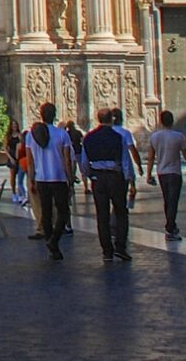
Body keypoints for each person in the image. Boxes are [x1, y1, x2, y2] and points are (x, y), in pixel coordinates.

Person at [24, 103, 76, 261]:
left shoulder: (31, 135)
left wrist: (31, 180)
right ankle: (54, 240)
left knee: (46, 213)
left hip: (41, 178)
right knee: (63, 212)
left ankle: (51, 246)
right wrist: (70, 179)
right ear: (54, 115)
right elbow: (67, 160)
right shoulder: (62, 134)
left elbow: (30, 161)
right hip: (58, 178)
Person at [81, 112, 131, 262]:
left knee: (102, 215)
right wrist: (128, 179)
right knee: (121, 212)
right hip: (115, 176)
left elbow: (84, 162)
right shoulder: (118, 137)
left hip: (98, 178)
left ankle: (107, 251)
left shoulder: (88, 137)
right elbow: (125, 161)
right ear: (112, 119)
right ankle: (120, 247)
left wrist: (90, 175)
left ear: (98, 119)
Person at [144, 110, 186, 240]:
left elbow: (151, 158)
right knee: (173, 200)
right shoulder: (179, 136)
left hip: (161, 172)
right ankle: (170, 228)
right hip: (175, 172)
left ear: (160, 121)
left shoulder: (154, 137)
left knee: (167, 200)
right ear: (172, 121)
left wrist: (148, 175)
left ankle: (171, 225)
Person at [110, 107, 143, 212]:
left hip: (109, 170)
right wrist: (139, 165)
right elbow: (133, 150)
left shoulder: (107, 132)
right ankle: (119, 219)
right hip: (123, 170)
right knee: (121, 198)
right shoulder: (125, 133)